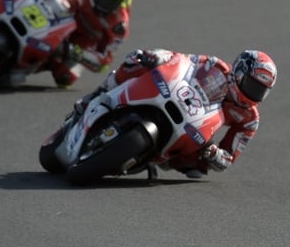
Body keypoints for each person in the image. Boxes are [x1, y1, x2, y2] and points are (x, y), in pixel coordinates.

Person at [75, 48, 277, 177]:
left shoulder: (249, 119)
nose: (254, 93)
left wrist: (214, 154)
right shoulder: (215, 66)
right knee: (136, 60)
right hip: (179, 100)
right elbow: (182, 60)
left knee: (196, 170)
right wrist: (158, 57)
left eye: (260, 90)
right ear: (240, 72)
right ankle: (98, 94)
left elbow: (227, 159)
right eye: (252, 85)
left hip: (196, 133)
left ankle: (154, 157)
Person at [1, 0, 133, 87]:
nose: (104, 5)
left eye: (111, 2)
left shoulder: (119, 25)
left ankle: (23, 67)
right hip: (63, 12)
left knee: (65, 78)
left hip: (79, 42)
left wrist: (78, 53)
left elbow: (103, 61)